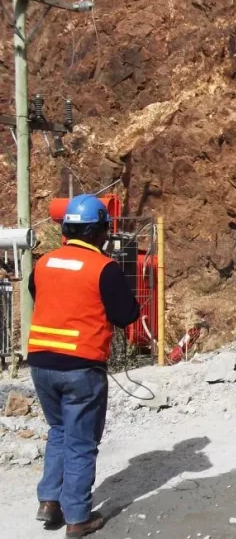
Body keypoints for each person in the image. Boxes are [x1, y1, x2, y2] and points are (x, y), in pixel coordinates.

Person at [27, 194, 140, 538]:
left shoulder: (44, 263)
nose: (107, 235)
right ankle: (77, 517)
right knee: (80, 440)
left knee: (59, 430)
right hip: (81, 366)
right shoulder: (103, 268)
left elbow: (39, 294)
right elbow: (126, 314)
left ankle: (50, 501)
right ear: (95, 231)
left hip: (41, 362)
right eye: (105, 229)